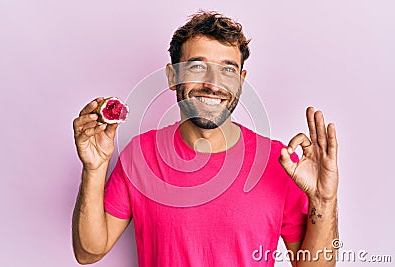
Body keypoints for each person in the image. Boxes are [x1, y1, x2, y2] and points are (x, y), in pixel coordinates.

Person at [72, 11, 339, 266]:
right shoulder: (140, 154)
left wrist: (323, 201)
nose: (213, 84)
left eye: (228, 70)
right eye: (198, 66)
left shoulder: (280, 162)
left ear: (241, 81)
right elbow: (88, 253)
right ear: (172, 76)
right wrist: (94, 169)